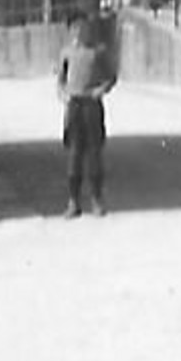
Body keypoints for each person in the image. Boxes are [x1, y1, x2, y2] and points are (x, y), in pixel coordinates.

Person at [57, 15, 118, 218]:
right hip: (74, 105)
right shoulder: (67, 53)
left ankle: (97, 200)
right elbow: (60, 79)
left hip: (92, 105)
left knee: (94, 153)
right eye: (76, 28)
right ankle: (73, 201)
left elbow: (111, 77)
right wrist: (63, 94)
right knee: (74, 154)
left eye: (83, 28)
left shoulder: (98, 51)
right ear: (71, 31)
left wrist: (101, 89)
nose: (80, 32)